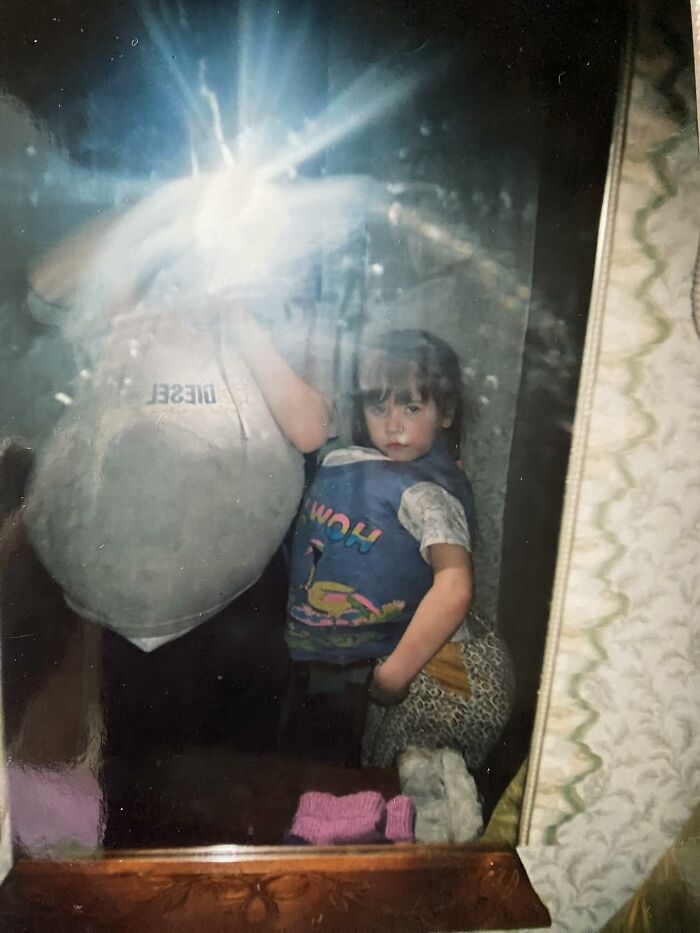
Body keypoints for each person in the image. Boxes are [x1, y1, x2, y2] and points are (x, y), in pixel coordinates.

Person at [283, 328, 514, 773]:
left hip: (439, 678)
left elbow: (455, 586)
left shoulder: (428, 495)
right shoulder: (363, 467)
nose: (393, 425)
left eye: (411, 407)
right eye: (378, 407)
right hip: (401, 661)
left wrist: (392, 677)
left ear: (446, 412)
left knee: (413, 788)